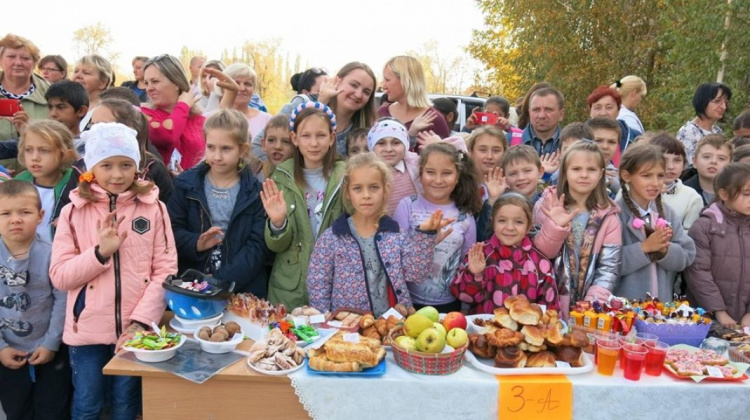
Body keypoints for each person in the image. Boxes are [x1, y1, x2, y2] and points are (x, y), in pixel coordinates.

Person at [50, 122, 177, 419]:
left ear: (137, 166)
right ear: (92, 167)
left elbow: (166, 269)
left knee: (126, 404)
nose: (117, 174)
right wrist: (99, 253)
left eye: (125, 165)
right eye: (106, 165)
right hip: (87, 333)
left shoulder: (154, 208)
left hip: (135, 332)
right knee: (87, 405)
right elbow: (60, 275)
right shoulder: (73, 211)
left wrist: (141, 321)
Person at [307, 153, 448, 316]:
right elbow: (318, 285)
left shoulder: (396, 235)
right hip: (347, 329)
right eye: (358, 188)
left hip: (392, 324)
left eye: (374, 187)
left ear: (385, 190)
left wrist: (425, 236)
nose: (366, 195)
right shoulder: (332, 238)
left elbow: (415, 273)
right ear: (347, 192)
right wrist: (326, 323)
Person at [169, 109, 270, 296]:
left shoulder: (255, 193)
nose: (217, 156)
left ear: (243, 150)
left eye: (226, 149)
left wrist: (220, 283)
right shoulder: (185, 185)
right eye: (211, 147)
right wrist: (196, 243)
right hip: (192, 286)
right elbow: (171, 231)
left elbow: (257, 247)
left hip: (241, 289)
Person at [261, 102, 345, 308]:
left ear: (332, 138)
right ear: (295, 139)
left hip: (336, 280)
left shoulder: (346, 176)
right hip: (291, 285)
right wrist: (278, 222)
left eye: (321, 135)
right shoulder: (281, 178)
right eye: (306, 136)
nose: (314, 143)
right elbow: (277, 245)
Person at [0, 181, 70, 420]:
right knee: (16, 411)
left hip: (50, 351)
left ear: (40, 216)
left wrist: (51, 343)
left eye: (25, 212)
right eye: (6, 213)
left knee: (53, 410)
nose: (15, 219)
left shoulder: (51, 254)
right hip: (7, 352)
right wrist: (1, 347)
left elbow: (62, 300)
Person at [534, 141, 622, 314]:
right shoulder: (547, 205)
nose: (584, 175)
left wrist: (589, 307)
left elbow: (608, 269)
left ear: (601, 174)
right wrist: (555, 227)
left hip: (588, 310)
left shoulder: (609, 218)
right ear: (565, 172)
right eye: (576, 169)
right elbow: (541, 254)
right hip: (547, 303)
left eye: (591, 170)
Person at [393, 142, 481, 313]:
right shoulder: (407, 206)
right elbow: (396, 256)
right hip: (408, 303)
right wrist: (425, 241)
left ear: (457, 177)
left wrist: (464, 310)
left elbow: (466, 265)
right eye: (430, 172)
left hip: (450, 305)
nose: (438, 180)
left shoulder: (465, 216)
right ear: (420, 174)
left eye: (447, 173)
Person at [452, 193, 560, 314]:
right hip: (484, 330)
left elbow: (550, 310)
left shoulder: (541, 264)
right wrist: (475, 274)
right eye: (502, 220)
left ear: (529, 226)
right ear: (493, 223)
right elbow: (464, 297)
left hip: (524, 332)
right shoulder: (480, 254)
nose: (509, 227)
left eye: (518, 222)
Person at [615, 143, 696, 299]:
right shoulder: (616, 214)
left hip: (660, 309)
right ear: (627, 176)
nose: (655, 182)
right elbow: (607, 263)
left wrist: (665, 250)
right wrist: (644, 248)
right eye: (646, 175)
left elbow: (687, 255)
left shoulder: (668, 214)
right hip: (623, 310)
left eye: (660, 175)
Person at [685, 162, 750, 327]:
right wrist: (718, 311)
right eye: (746, 193)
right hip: (706, 318)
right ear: (724, 194)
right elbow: (698, 273)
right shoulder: (704, 227)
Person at [89, 98, 174, 203]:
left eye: (102, 125)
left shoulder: (152, 167)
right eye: (93, 125)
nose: (95, 131)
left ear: (127, 129)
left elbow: (167, 212)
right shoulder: (82, 165)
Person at [15, 120, 78, 242]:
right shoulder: (17, 183)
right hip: (22, 257)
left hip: (61, 257)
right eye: (29, 150)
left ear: (65, 154)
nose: (34, 158)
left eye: (44, 150)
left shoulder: (76, 186)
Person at [141, 54, 205, 170]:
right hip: (161, 187)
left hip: (193, 187)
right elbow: (166, 135)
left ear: (176, 83)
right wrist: (183, 105)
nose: (149, 88)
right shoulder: (143, 114)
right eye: (146, 83)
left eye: (155, 81)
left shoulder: (200, 120)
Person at [250, 67, 327, 159]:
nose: (329, 92)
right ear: (305, 94)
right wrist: (275, 170)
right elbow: (256, 146)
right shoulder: (296, 107)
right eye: (321, 91)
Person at [379, 56, 450, 145]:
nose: (383, 86)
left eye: (387, 80)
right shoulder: (382, 113)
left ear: (406, 81)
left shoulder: (434, 119)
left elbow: (447, 156)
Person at [0, 34, 49, 150]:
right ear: (1, 61)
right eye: (11, 57)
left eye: (25, 58)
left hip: (40, 167)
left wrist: (29, 129)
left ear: (34, 63)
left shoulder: (51, 93)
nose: (18, 63)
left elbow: (62, 137)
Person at [319, 62, 378, 157]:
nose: (358, 95)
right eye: (354, 85)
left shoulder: (370, 131)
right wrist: (322, 102)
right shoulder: (304, 110)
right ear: (337, 81)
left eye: (366, 92)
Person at [648, 133, 703, 230]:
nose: (671, 167)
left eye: (677, 160)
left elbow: (690, 234)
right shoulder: (633, 190)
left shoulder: (692, 197)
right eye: (664, 160)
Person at [208, 63, 271, 139]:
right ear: (222, 87)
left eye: (247, 84)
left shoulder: (267, 120)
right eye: (236, 83)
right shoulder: (208, 119)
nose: (242, 88)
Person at [587, 85, 641, 166]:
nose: (603, 113)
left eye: (609, 107)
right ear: (590, 111)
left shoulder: (634, 137)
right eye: (597, 108)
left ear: (619, 110)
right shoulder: (579, 135)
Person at [677, 82, 732, 162]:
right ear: (703, 101)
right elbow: (689, 167)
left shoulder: (717, 131)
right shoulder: (688, 132)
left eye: (726, 103)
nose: (723, 107)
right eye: (717, 101)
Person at [682, 134, 733, 206]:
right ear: (695, 162)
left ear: (731, 164)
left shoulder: (737, 192)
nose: (713, 161)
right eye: (706, 157)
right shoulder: (682, 192)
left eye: (721, 158)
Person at [72, 54, 113, 132]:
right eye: (76, 71)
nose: (78, 75)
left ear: (103, 83)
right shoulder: (67, 106)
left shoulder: (107, 111)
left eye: (86, 73)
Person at [522, 87, 565, 156]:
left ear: (561, 114)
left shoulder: (572, 145)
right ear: (529, 113)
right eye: (536, 109)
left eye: (548, 109)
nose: (541, 116)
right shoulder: (509, 142)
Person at [585, 117, 622, 196]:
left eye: (611, 142)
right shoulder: (569, 171)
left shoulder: (619, 177)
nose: (605, 146)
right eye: (598, 141)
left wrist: (610, 182)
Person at [257, 114, 293, 182]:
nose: (278, 146)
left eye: (286, 141)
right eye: (271, 140)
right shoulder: (256, 175)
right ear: (263, 144)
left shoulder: (299, 177)